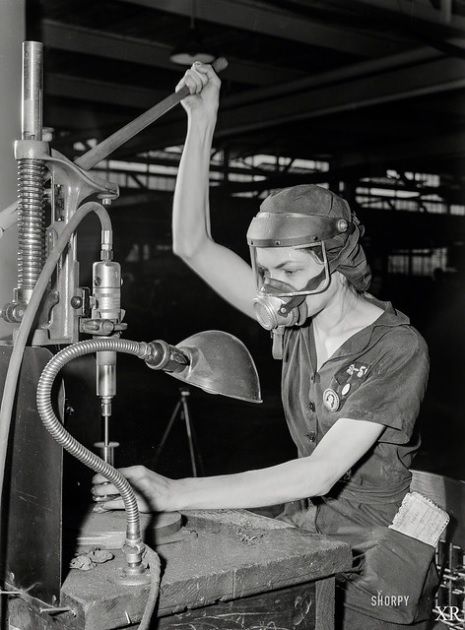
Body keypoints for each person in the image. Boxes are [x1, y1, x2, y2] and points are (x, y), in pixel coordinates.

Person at [92, 63, 439, 629]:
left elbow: (319, 473)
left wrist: (174, 492)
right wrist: (201, 121)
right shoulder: (296, 315)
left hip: (379, 564)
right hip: (307, 539)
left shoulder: (397, 349)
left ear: (337, 263)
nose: (270, 288)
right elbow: (193, 244)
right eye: (265, 270)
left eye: (289, 269)